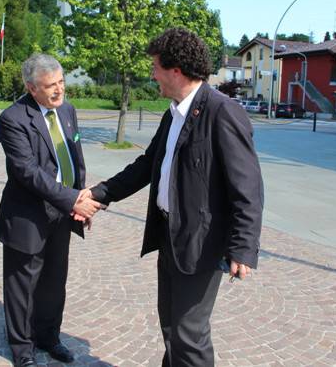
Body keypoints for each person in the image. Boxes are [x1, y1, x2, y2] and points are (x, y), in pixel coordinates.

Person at [90, 28, 264, 366]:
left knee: (189, 335)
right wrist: (100, 193)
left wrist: (242, 246)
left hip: (202, 244)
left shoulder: (222, 112)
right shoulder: (174, 113)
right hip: (170, 236)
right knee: (171, 325)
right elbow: (146, 166)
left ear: (175, 70)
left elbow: (248, 188)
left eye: (155, 67)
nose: (152, 74)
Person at [0, 54, 102, 367]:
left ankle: (49, 337)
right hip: (28, 217)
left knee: (55, 282)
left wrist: (78, 199)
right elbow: (28, 172)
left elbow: (74, 159)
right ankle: (22, 350)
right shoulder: (13, 118)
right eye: (49, 86)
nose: (58, 91)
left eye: (61, 82)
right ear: (31, 88)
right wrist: (73, 200)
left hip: (62, 215)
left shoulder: (67, 110)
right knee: (22, 288)